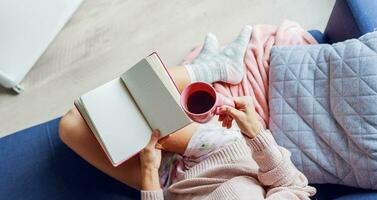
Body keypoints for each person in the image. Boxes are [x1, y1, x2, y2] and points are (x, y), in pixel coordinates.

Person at [59, 26, 316, 199]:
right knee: (146, 100)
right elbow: (294, 187)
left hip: (172, 185)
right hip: (220, 155)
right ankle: (212, 69)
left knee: (70, 124)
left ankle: (205, 68)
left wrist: (149, 171)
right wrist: (255, 133)